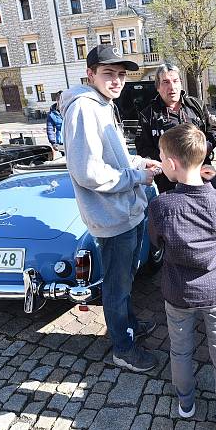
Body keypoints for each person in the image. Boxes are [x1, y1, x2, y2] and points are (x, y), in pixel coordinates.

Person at [62, 45, 162, 373]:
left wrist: (138, 162)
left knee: (126, 279)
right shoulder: (84, 109)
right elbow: (88, 172)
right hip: (112, 217)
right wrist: (136, 176)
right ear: (90, 74)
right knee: (116, 287)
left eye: (121, 75)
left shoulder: (104, 105)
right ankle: (122, 347)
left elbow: (113, 156)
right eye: (109, 73)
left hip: (125, 212)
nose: (117, 80)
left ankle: (128, 325)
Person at [148, 123, 216, 430]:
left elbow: (157, 243)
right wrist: (214, 181)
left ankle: (186, 402)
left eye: (163, 157)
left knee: (180, 349)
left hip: (178, 292)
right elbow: (215, 198)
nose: (161, 161)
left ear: (173, 164)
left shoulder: (161, 206)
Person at [136, 63, 216, 193]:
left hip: (201, 174)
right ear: (157, 87)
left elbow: (212, 131)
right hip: (169, 182)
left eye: (175, 81)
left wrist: (204, 148)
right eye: (165, 82)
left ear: (181, 83)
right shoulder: (148, 115)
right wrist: (169, 161)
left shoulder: (196, 105)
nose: (172, 87)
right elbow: (142, 148)